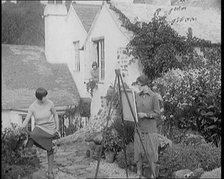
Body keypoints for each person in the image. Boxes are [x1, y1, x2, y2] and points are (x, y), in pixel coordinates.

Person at [22, 87, 60, 179]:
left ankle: (50, 172)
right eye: (44, 97)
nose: (46, 98)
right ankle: (25, 160)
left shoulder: (50, 103)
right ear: (39, 98)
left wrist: (57, 128)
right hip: (39, 128)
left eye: (46, 96)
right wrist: (22, 127)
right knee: (32, 136)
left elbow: (55, 115)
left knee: (50, 149)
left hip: (50, 129)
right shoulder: (32, 107)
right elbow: (27, 119)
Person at [133, 75, 161, 178]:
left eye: (140, 86)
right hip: (139, 128)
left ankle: (153, 175)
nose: (138, 88)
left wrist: (146, 115)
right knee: (138, 152)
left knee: (151, 153)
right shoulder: (137, 95)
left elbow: (158, 114)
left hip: (150, 129)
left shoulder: (154, 96)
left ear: (145, 86)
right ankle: (139, 173)